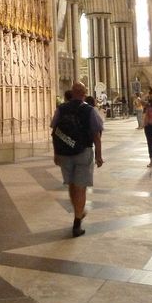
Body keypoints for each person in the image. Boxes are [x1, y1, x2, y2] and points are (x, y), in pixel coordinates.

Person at [51, 82, 104, 237]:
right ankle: (77, 222)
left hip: (64, 152)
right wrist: (99, 156)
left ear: (72, 93)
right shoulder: (89, 110)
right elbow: (96, 135)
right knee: (80, 187)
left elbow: (54, 132)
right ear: (84, 93)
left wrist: (56, 153)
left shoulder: (61, 109)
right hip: (83, 152)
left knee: (72, 185)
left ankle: (78, 212)